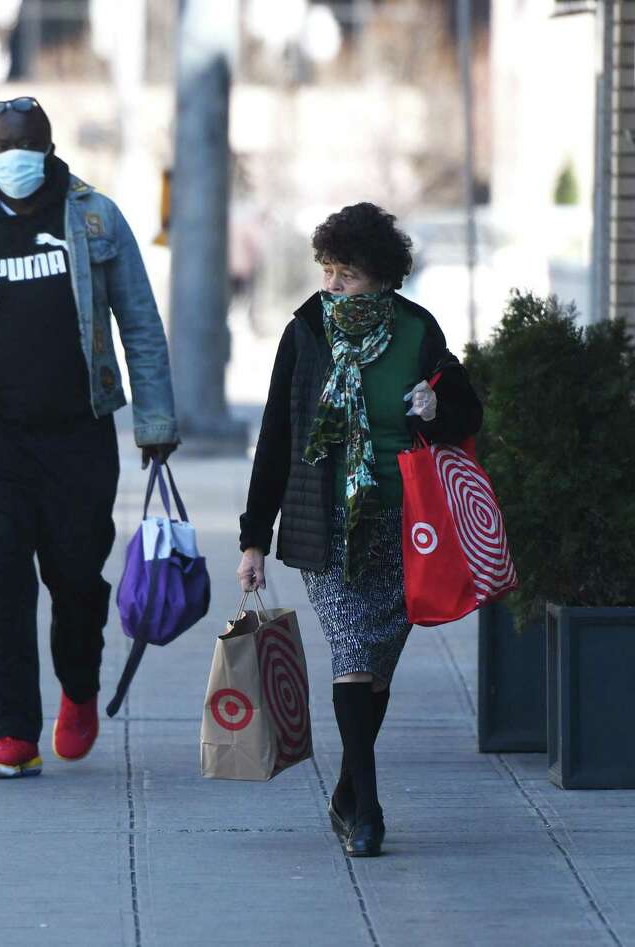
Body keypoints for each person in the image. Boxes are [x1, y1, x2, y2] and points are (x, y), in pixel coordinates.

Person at [0, 97, 178, 779]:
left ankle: (79, 686)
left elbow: (139, 322)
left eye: (25, 142)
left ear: (48, 147)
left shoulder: (96, 219)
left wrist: (156, 422)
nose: (13, 156)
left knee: (76, 578)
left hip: (79, 436)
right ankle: (12, 731)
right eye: (1, 144)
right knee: (2, 581)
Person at [237, 203, 481, 856]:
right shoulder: (307, 331)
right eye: (327, 270)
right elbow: (276, 436)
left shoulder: (417, 330)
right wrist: (253, 537)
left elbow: (466, 411)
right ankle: (367, 808)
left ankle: (346, 787)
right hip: (329, 523)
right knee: (350, 653)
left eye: (345, 273)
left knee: (376, 668)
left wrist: (437, 406)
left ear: (380, 276)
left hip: (408, 526)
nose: (332, 285)